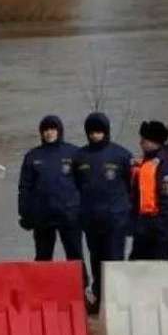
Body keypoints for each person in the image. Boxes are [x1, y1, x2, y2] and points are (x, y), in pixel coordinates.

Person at [73, 112, 134, 314]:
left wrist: (127, 214)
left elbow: (130, 186)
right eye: (92, 132)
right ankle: (99, 298)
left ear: (106, 132)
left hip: (115, 219)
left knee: (114, 259)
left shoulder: (122, 155)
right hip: (90, 219)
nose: (95, 136)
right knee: (96, 259)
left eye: (99, 132)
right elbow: (75, 186)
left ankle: (117, 303)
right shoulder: (79, 157)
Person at [18, 116, 87, 281]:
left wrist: (85, 211)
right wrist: (24, 214)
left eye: (52, 129)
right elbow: (24, 188)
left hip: (69, 215)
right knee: (43, 257)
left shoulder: (74, 153)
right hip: (42, 217)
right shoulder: (32, 156)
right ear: (41, 133)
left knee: (75, 255)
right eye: (46, 130)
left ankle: (81, 288)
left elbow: (85, 185)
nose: (49, 133)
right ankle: (41, 290)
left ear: (59, 131)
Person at [129, 121, 168, 261]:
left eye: (143, 140)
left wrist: (163, 227)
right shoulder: (144, 163)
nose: (140, 143)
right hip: (142, 227)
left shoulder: (166, 165)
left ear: (154, 142)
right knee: (136, 266)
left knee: (159, 269)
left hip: (159, 227)